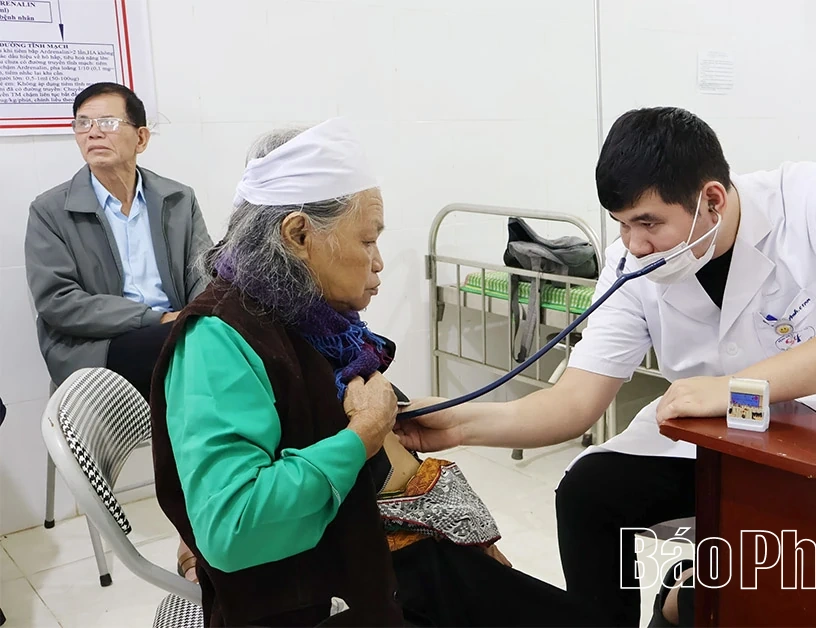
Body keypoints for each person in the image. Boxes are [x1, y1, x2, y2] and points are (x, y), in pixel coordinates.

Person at [394, 106, 816, 627]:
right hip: (712, 444)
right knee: (589, 491)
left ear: (712, 200)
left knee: (757, 582)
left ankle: (685, 593)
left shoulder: (813, 198)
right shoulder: (631, 264)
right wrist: (457, 422)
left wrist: (738, 389)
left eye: (648, 223)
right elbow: (574, 401)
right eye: (621, 224)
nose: (635, 245)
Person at [148, 119, 614, 627]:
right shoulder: (218, 341)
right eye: (368, 240)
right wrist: (362, 436)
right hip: (316, 602)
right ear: (298, 235)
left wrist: (466, 533)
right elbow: (233, 529)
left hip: (385, 560)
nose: (379, 262)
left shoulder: (310, 321)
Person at [23, 82, 212, 582]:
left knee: (216, 354)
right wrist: (155, 319)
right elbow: (58, 302)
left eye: (107, 122)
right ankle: (200, 536)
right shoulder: (50, 209)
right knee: (202, 364)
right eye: (82, 124)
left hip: (178, 338)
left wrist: (195, 316)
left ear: (141, 137)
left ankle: (218, 526)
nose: (93, 133)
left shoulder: (178, 198)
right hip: (96, 347)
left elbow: (205, 277)